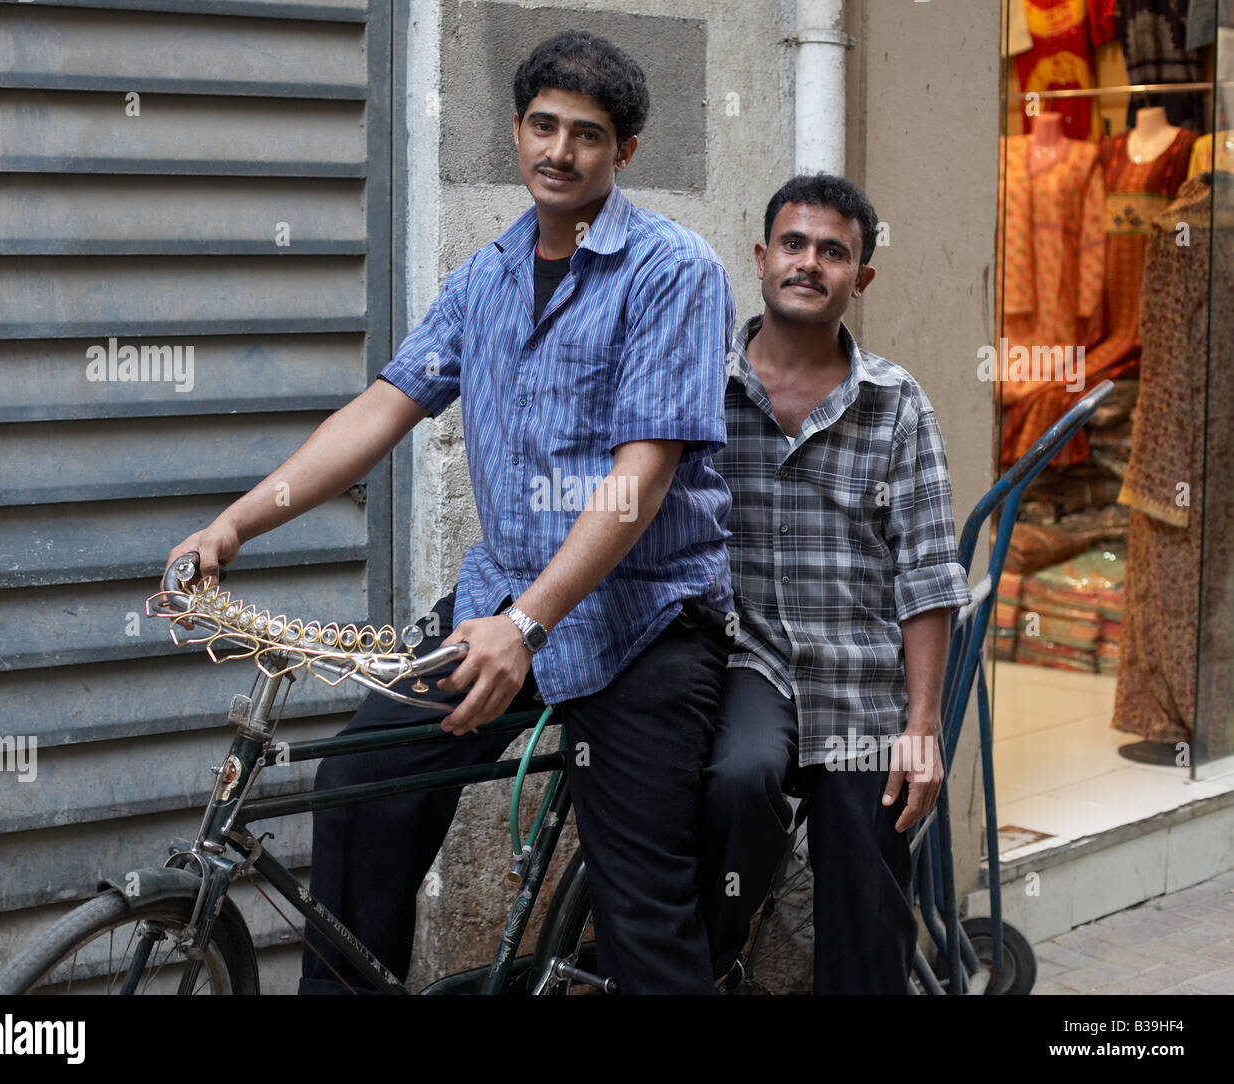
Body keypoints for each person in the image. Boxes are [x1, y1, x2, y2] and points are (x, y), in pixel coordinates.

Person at [165, 30, 737, 995]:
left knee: (643, 908)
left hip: (643, 616)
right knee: (359, 794)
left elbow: (642, 476)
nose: (559, 151)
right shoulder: (488, 276)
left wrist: (528, 624)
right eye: (543, 125)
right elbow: (382, 410)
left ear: (624, 153)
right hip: (502, 597)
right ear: (516, 131)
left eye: (587, 135)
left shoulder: (673, 271)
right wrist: (235, 524)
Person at [698, 174, 972, 994]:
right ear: (761, 257)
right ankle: (706, 963)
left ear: (861, 277)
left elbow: (927, 574)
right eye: (794, 244)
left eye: (833, 252)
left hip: (861, 684)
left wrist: (922, 726)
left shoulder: (896, 405)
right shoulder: (701, 391)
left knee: (868, 903)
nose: (809, 263)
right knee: (737, 781)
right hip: (747, 665)